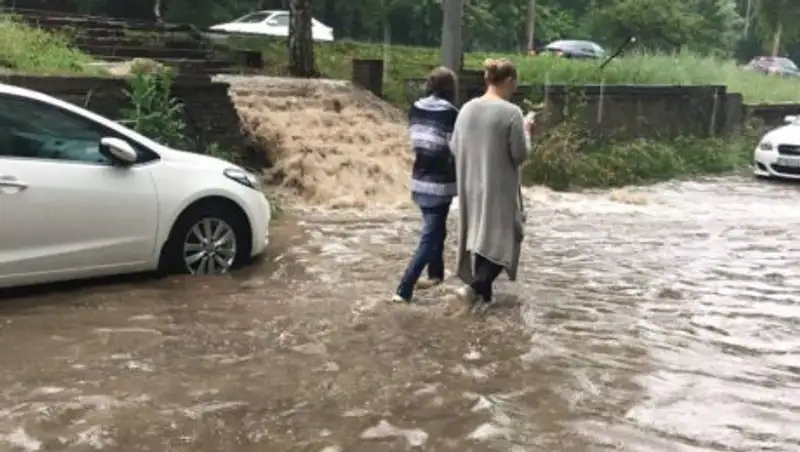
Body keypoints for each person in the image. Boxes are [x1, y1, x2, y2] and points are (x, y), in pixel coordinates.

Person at [449, 58, 535, 308]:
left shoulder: (466, 109)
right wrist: (528, 131)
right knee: (503, 240)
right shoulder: (512, 113)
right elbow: (519, 154)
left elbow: (454, 146)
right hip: (498, 186)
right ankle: (474, 288)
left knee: (479, 238)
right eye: (515, 83)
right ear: (509, 81)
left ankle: (482, 304)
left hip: (470, 185)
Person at [391, 67, 459, 303]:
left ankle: (436, 275)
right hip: (440, 184)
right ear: (451, 89)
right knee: (430, 237)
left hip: (419, 179)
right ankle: (404, 287)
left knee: (437, 229)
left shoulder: (416, 107)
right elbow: (455, 148)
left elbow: (416, 139)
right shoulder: (452, 113)